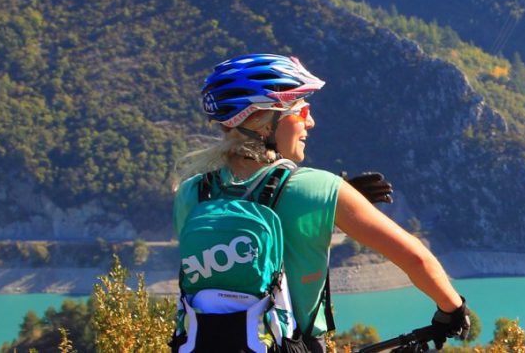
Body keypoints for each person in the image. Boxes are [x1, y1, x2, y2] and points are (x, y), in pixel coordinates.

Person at [174, 54, 470, 352]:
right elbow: (416, 258)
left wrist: (331, 205)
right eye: (302, 111)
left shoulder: (192, 193)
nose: (310, 122)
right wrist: (452, 310)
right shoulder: (318, 188)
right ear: (264, 122)